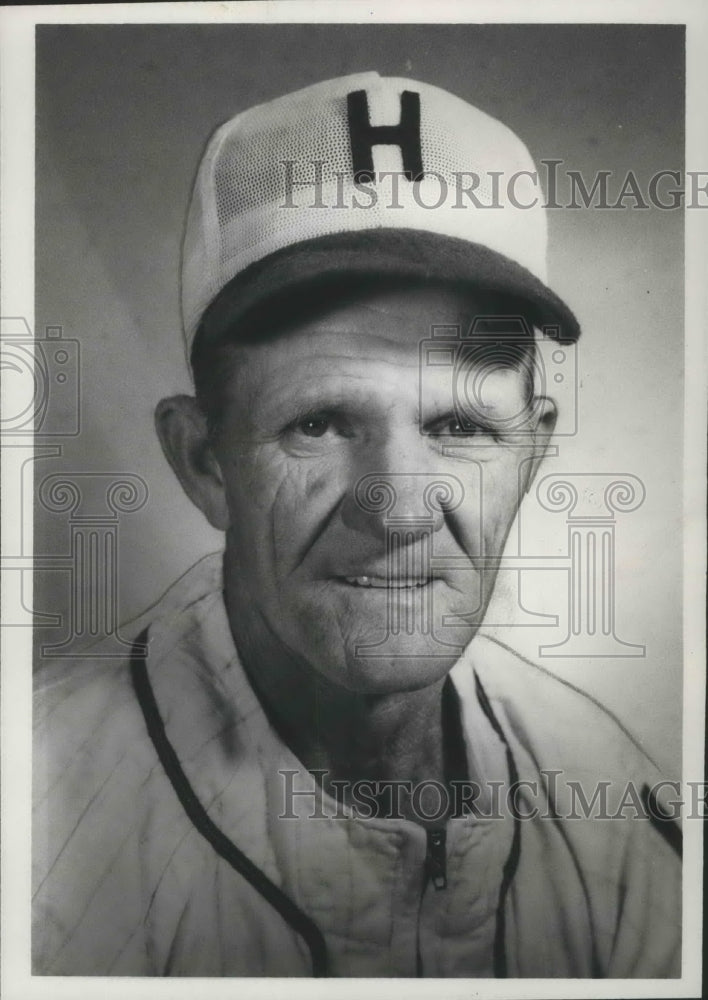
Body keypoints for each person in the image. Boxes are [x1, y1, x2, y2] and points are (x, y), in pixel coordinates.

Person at [33, 72, 681, 978]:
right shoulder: (31, 831)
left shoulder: (609, 801)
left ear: (530, 456)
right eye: (319, 424)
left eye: (460, 427)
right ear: (204, 462)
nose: (401, 508)